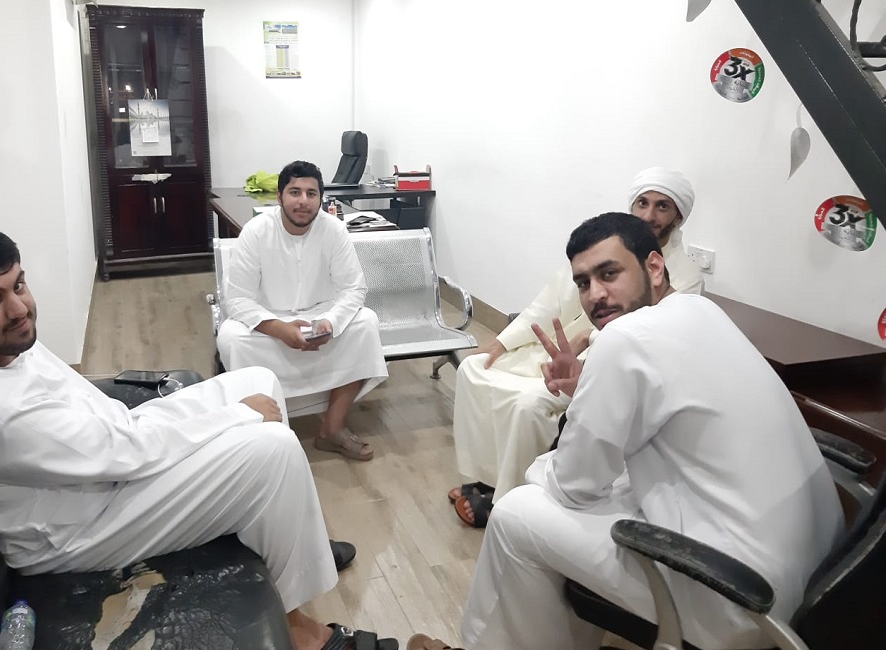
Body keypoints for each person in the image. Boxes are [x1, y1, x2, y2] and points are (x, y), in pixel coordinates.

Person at [0, 222, 395, 650]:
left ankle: (291, 540)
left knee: (260, 383)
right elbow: (125, 454)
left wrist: (231, 413)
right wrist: (236, 417)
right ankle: (299, 630)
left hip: (100, 457)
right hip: (77, 528)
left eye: (18, 284)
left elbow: (107, 439)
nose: (18, 308)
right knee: (272, 448)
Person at [411, 212, 844, 650]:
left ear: (654, 267)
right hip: (809, 575)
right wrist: (589, 391)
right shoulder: (702, 310)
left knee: (516, 513)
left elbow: (573, 486)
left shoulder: (625, 338)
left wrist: (542, 466)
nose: (595, 295)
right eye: (583, 283)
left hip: (735, 596)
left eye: (609, 274)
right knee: (601, 492)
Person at [450, 167, 704, 526]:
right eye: (642, 203)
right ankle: (485, 477)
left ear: (678, 216)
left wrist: (588, 339)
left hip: (603, 366)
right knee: (472, 368)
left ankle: (509, 499)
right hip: (562, 350)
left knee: (528, 405)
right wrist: (500, 343)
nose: (649, 215)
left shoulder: (686, 277)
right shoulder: (604, 251)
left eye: (662, 206)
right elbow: (547, 305)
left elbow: (648, 335)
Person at [217, 160, 388, 461]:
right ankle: (267, 436)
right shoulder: (256, 231)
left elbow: (354, 289)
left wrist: (330, 323)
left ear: (321, 199)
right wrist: (279, 329)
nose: (303, 201)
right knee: (232, 338)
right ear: (279, 197)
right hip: (268, 320)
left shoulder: (333, 229)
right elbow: (238, 298)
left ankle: (331, 429)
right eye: (294, 192)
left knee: (366, 323)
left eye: (311, 193)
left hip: (320, 316)